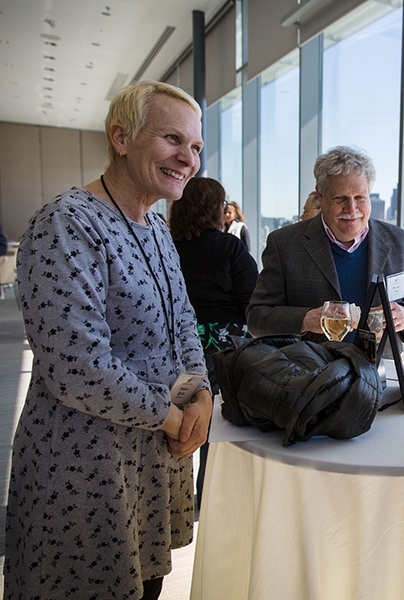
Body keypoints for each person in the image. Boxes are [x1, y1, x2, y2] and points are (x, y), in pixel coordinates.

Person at [4, 80, 212, 600]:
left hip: (152, 459)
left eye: (195, 147)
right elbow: (77, 364)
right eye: (172, 139)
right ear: (121, 137)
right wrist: (174, 419)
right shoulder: (66, 224)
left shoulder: (158, 229)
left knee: (147, 584)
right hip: (87, 466)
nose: (187, 158)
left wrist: (203, 396)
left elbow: (183, 323)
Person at [247, 146, 404, 354]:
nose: (352, 210)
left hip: (380, 375)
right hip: (308, 375)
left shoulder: (403, 243)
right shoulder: (284, 244)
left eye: (360, 197)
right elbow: (256, 318)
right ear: (321, 195)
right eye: (340, 199)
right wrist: (307, 319)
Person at [170, 176, 258, 504]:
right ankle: (208, 496)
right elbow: (254, 302)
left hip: (179, 349)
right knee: (216, 426)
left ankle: (174, 499)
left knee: (177, 424)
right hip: (224, 350)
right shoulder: (230, 248)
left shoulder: (166, 245)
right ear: (215, 209)